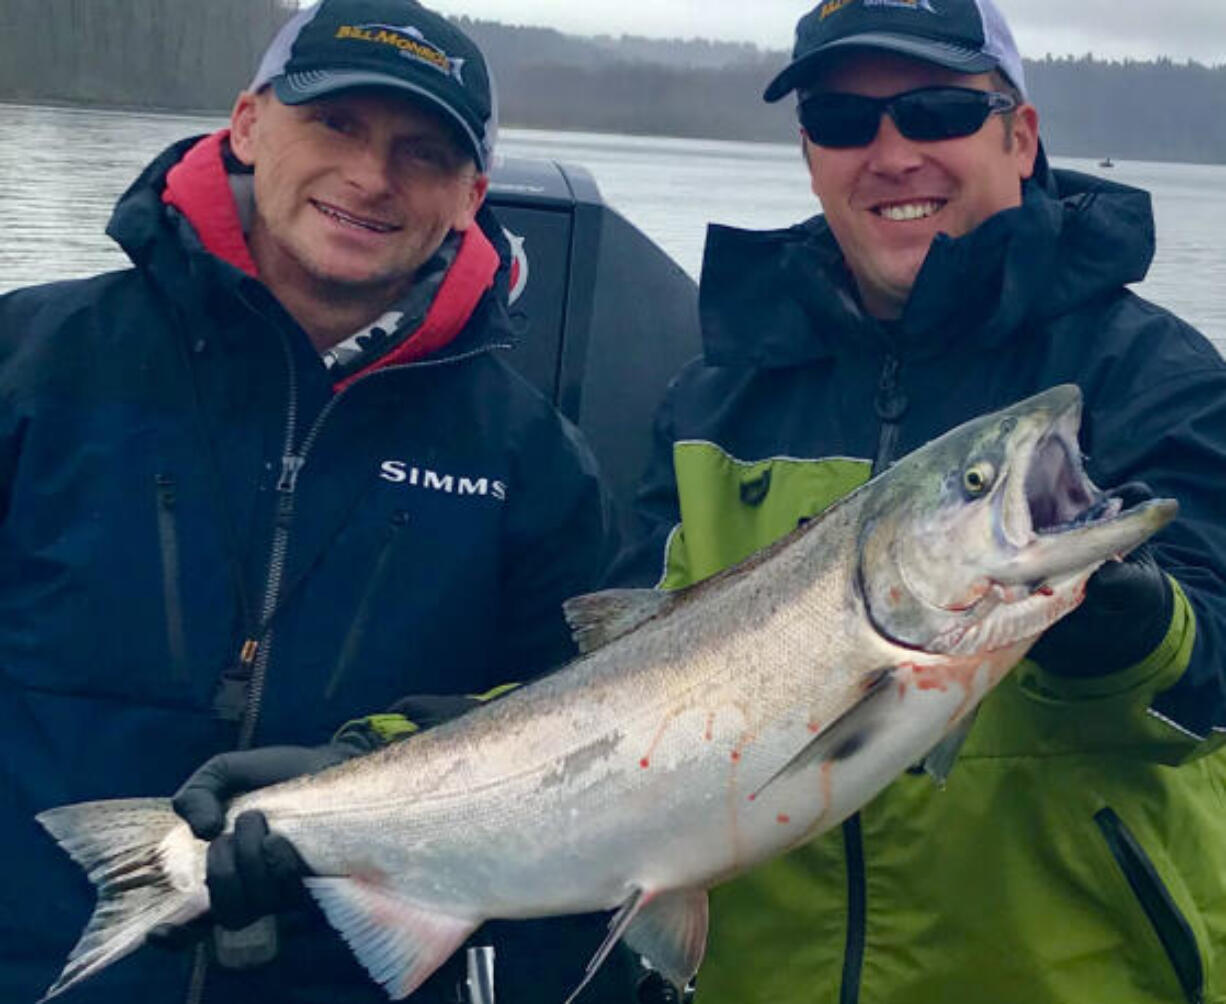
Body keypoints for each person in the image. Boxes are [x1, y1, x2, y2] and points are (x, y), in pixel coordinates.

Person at [0, 2, 637, 1002]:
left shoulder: (532, 461)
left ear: (471, 194)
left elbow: (578, 742)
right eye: (334, 123)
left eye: (421, 152)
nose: (371, 176)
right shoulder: (35, 363)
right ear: (249, 124)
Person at [611, 1, 1226, 1002]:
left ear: (1017, 135)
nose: (890, 153)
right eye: (843, 121)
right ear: (809, 155)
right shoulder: (711, 397)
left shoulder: (1148, 374)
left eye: (935, 109)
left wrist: (1137, 625)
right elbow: (625, 663)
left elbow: (1213, 672)